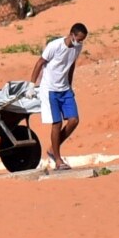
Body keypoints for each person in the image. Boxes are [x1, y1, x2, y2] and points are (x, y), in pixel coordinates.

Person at [28, 23, 88, 171]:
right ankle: (58, 159)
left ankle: (52, 149)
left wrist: (70, 84)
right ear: (72, 35)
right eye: (79, 39)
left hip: (65, 88)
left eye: (82, 40)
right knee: (57, 124)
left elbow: (71, 64)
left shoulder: (77, 47)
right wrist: (31, 85)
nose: (80, 42)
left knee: (74, 120)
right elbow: (40, 62)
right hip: (50, 89)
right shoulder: (54, 46)